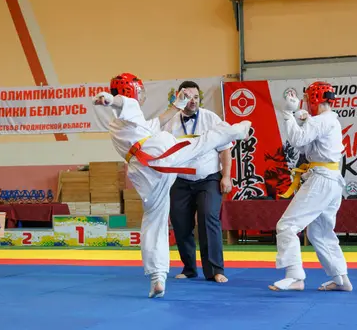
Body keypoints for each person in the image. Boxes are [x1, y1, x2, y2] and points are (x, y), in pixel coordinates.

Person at [93, 72, 251, 298]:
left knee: (153, 222)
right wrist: (109, 99)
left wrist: (177, 105)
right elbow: (121, 101)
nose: (143, 95)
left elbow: (157, 122)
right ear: (133, 92)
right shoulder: (129, 106)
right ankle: (239, 130)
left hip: (144, 173)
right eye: (141, 91)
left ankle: (157, 277)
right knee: (201, 143)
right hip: (157, 155)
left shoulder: (120, 125)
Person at [269, 81, 352, 292]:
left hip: (322, 179)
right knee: (321, 231)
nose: (305, 102)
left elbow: (297, 140)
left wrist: (288, 114)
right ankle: (341, 279)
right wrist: (300, 118)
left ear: (314, 99)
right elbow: (305, 146)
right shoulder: (329, 120)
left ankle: (295, 276)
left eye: (307, 98)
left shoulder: (322, 120)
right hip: (331, 179)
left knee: (287, 225)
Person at [163, 81, 231, 283]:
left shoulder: (211, 118)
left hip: (208, 178)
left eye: (196, 97)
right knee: (180, 222)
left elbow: (225, 149)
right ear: (178, 98)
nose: (192, 101)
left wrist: (226, 176)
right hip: (180, 180)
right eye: (187, 97)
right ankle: (189, 268)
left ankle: (215, 270)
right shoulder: (171, 122)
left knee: (208, 218)